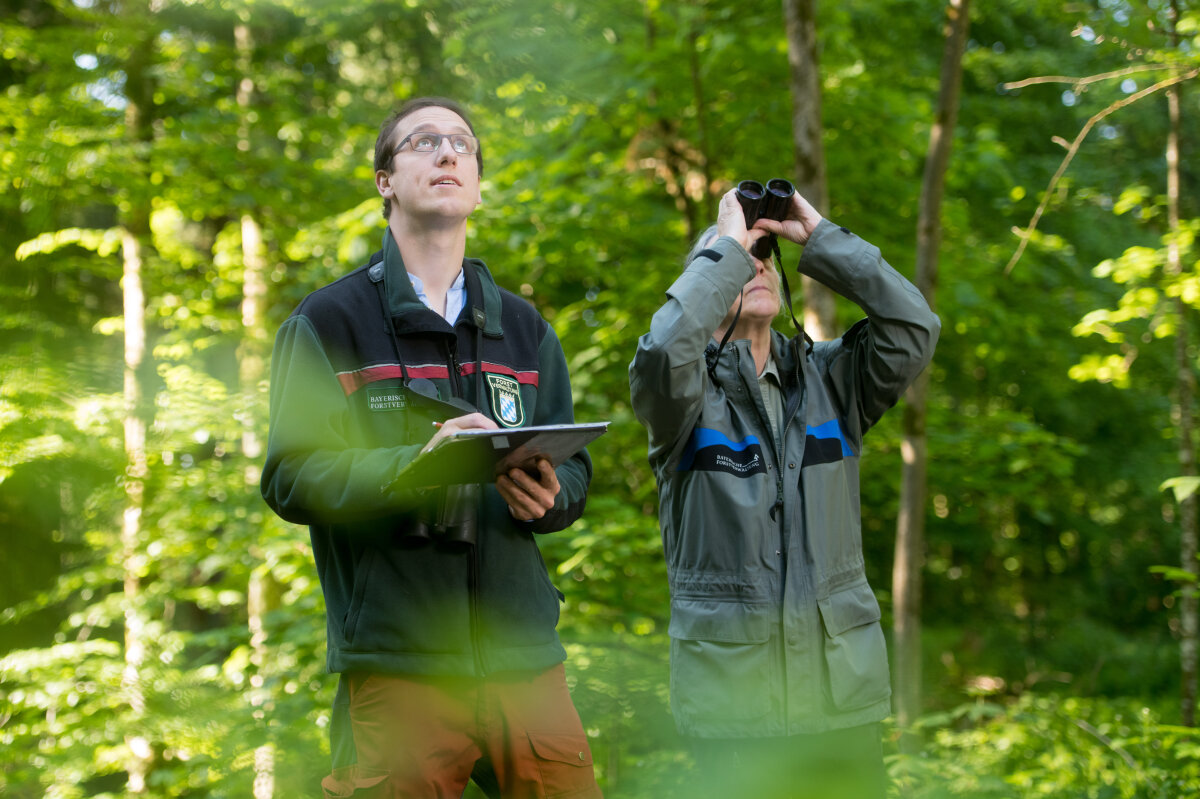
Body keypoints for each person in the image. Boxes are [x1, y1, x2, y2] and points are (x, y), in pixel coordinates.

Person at [261, 96, 603, 799]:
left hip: (525, 664)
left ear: (477, 183)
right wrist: (412, 467)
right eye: (423, 141)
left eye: (462, 144)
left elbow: (573, 470)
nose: (448, 153)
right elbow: (291, 477)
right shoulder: (328, 321)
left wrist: (554, 495)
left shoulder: (526, 328)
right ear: (384, 179)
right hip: (399, 663)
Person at [628, 186, 940, 798]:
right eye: (743, 257)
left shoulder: (833, 381)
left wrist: (820, 236)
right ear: (708, 281)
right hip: (736, 708)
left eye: (765, 256)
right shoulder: (684, 401)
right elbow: (665, 349)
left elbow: (913, 328)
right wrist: (727, 248)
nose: (758, 263)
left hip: (838, 703)